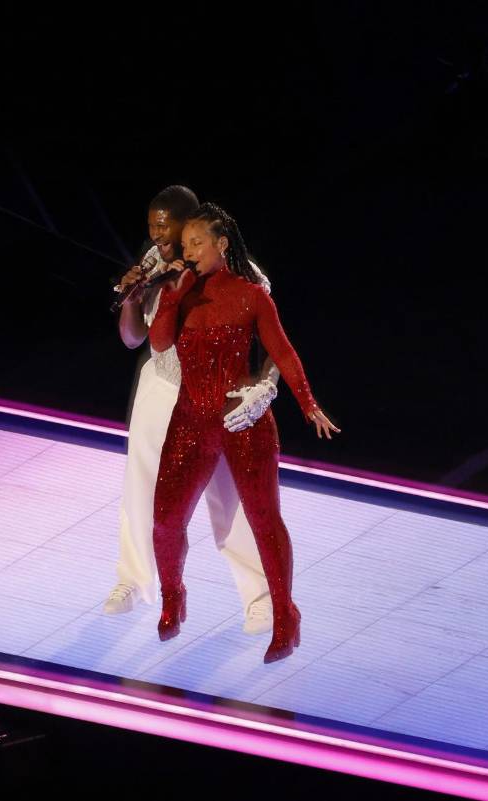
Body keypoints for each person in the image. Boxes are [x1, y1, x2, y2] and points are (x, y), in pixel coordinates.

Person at [149, 202, 339, 663]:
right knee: (165, 520)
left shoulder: (252, 295)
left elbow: (285, 353)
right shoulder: (183, 293)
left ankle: (284, 615)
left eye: (198, 243)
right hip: (190, 419)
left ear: (221, 244)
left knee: (263, 521)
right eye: (186, 244)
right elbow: (157, 343)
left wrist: (308, 404)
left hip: (243, 421)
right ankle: (173, 596)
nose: (189, 251)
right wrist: (172, 294)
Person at [105, 186, 281, 634]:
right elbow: (131, 340)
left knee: (230, 498)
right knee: (141, 488)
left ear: (193, 224)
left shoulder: (243, 273)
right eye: (153, 233)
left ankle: (261, 598)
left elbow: (276, 343)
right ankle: (134, 581)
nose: (160, 242)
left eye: (168, 232)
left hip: (215, 396)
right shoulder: (154, 264)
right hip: (163, 387)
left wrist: (264, 388)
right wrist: (130, 296)